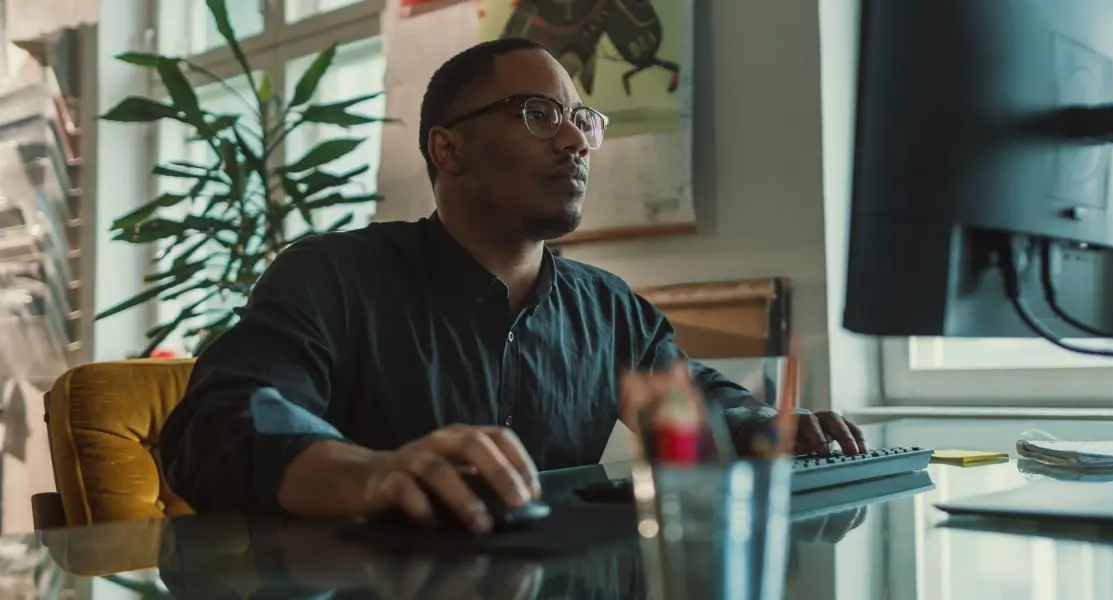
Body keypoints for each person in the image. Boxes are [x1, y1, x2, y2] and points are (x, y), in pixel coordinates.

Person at [159, 38, 867, 534]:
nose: (575, 142)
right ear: (448, 148)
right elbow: (218, 424)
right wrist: (372, 474)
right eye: (539, 114)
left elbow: (694, 402)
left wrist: (766, 427)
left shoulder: (608, 308)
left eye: (582, 121)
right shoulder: (332, 277)